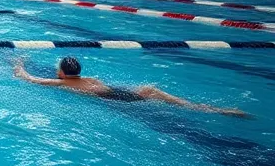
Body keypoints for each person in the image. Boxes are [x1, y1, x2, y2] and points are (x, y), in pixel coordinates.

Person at [13, 57, 249, 117]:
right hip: (120, 93)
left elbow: (32, 80)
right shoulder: (90, 79)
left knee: (153, 97)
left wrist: (20, 67)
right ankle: (215, 109)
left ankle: (213, 111)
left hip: (119, 99)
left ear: (62, 73)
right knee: (151, 90)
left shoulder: (62, 84)